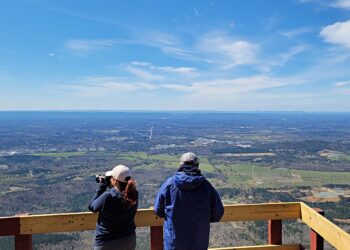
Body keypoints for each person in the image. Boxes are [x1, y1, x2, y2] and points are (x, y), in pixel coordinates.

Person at [154, 152, 224, 250]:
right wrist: (203, 219)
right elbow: (218, 214)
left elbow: (158, 210)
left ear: (180, 166)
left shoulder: (169, 184)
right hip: (199, 243)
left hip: (174, 243)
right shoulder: (206, 186)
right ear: (197, 166)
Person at [88, 165, 138, 250]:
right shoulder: (134, 194)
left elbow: (92, 207)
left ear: (115, 181)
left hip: (107, 241)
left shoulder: (108, 196)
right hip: (128, 239)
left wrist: (102, 187)